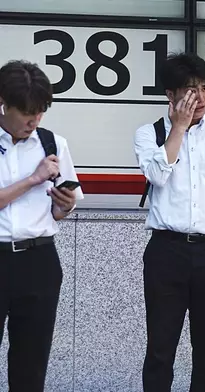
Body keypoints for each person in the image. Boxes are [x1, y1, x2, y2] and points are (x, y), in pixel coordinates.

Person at [133, 52, 205, 392]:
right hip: (165, 252)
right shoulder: (149, 134)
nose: (199, 98)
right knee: (159, 349)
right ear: (170, 95)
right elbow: (156, 174)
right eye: (189, 90)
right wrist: (179, 128)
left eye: (203, 88)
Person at [0, 60, 83, 391]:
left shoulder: (52, 142)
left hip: (39, 260)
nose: (34, 120)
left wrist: (64, 205)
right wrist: (32, 179)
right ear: (3, 103)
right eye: (26, 112)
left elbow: (62, 205)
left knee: (31, 364)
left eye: (40, 111)